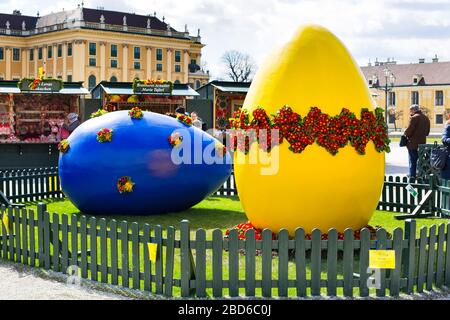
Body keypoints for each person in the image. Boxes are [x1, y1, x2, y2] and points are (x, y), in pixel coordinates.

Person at [403, 105, 430, 181]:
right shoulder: (426, 118)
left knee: (412, 160)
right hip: (422, 144)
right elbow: (427, 132)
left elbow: (408, 131)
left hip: (412, 144)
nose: (410, 113)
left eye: (410, 111)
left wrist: (405, 133)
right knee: (420, 160)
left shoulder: (414, 117)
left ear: (413, 110)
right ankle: (420, 175)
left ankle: (412, 177)